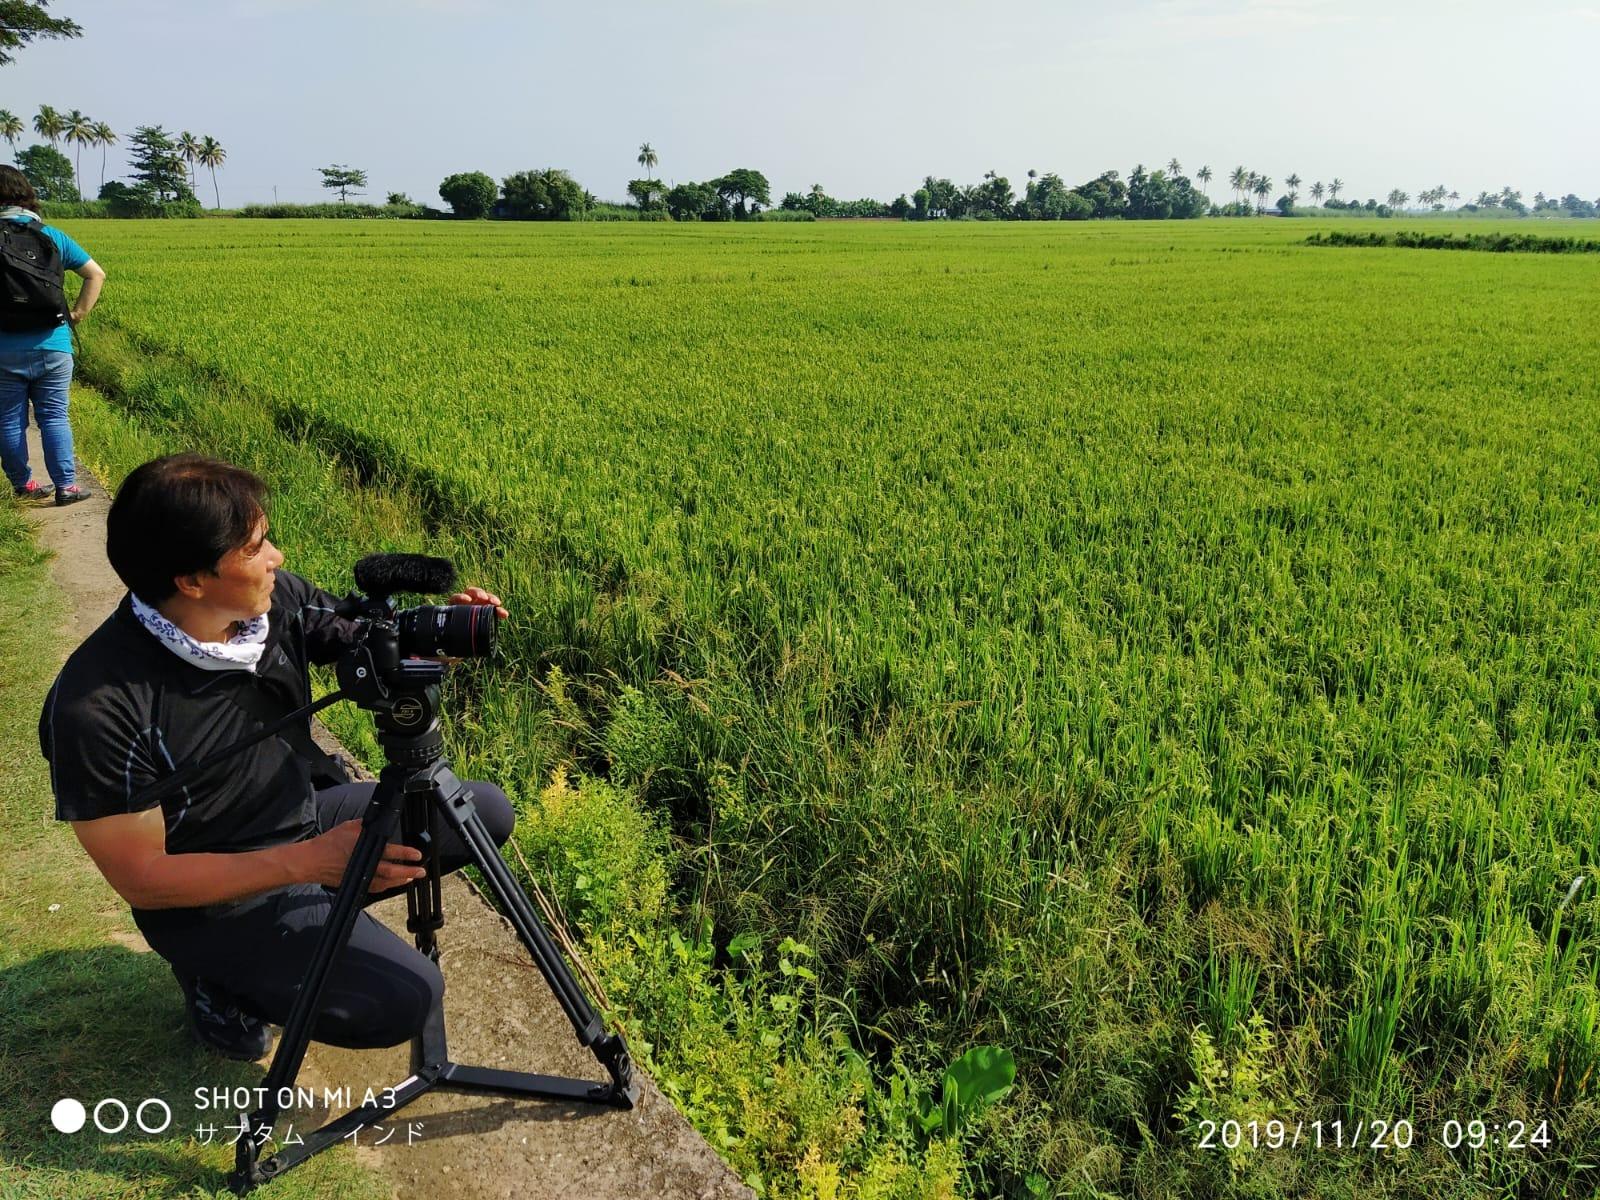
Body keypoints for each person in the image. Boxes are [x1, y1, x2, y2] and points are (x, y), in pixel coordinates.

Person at [40, 453, 515, 1060]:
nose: (277, 559)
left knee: (481, 816)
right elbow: (143, 879)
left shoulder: (270, 604)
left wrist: (438, 634)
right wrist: (310, 863)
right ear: (192, 581)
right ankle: (220, 982)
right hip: (209, 896)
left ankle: (307, 924)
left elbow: (359, 639)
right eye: (257, 547)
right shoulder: (97, 708)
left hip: (296, 813)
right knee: (406, 999)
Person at [0, 164, 106, 505]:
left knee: (8, 418)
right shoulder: (52, 236)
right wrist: (76, 315)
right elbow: (95, 275)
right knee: (55, 416)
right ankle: (66, 486)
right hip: (54, 343)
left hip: (3, 348)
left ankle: (24, 486)